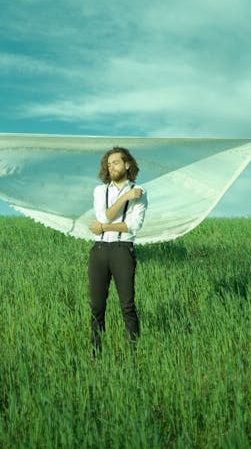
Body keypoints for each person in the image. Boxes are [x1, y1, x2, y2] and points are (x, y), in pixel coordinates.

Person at [88, 146, 147, 353]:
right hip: (99, 250)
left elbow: (133, 225)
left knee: (127, 305)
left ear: (127, 164)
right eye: (108, 163)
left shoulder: (140, 191)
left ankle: (133, 353)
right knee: (96, 306)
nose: (111, 166)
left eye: (116, 162)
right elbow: (104, 216)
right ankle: (96, 352)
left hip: (123, 250)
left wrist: (103, 228)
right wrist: (124, 198)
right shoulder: (99, 191)